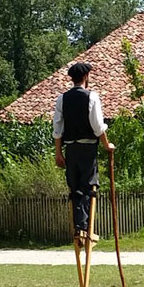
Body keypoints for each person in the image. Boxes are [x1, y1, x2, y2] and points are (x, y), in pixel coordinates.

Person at [53, 62, 115, 246]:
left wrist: (58, 154)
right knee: (88, 186)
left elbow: (58, 130)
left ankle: (78, 228)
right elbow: (97, 126)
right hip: (87, 148)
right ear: (86, 77)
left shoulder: (62, 99)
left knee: (75, 188)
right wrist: (106, 145)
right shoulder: (92, 97)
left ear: (72, 79)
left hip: (70, 149)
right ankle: (85, 229)